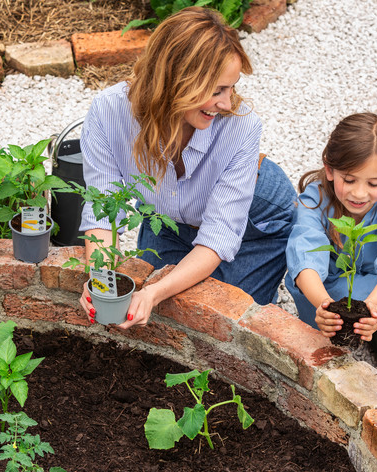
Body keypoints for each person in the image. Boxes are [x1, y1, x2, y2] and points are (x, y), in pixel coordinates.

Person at [79, 7, 296, 329]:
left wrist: (153, 293)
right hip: (169, 220)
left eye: (231, 88)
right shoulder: (109, 112)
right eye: (216, 90)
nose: (227, 103)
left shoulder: (241, 125)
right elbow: (103, 209)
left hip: (255, 224)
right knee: (161, 317)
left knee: (229, 324)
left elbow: (219, 235)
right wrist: (99, 281)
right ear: (175, 82)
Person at [285, 113, 377, 379]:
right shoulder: (314, 200)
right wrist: (324, 305)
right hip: (330, 289)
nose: (358, 193)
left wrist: (371, 309)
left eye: (373, 183)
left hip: (376, 288)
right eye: (350, 179)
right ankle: (354, 329)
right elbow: (305, 253)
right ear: (330, 170)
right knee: (342, 299)